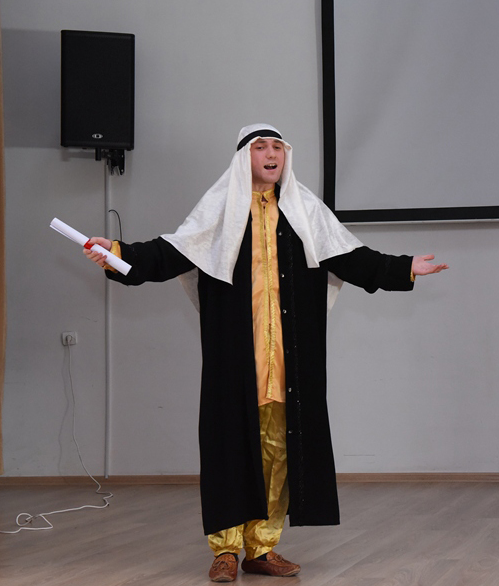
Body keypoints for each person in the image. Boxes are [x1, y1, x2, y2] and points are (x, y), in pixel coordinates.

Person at [84, 124, 448, 582]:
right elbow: (169, 253)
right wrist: (117, 253)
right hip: (235, 357)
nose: (271, 153)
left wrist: (404, 267)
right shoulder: (220, 210)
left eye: (278, 146)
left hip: (290, 359)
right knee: (228, 448)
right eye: (261, 147)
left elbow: (350, 257)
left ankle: (262, 547)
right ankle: (225, 549)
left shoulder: (303, 211)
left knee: (279, 452)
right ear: (244, 158)